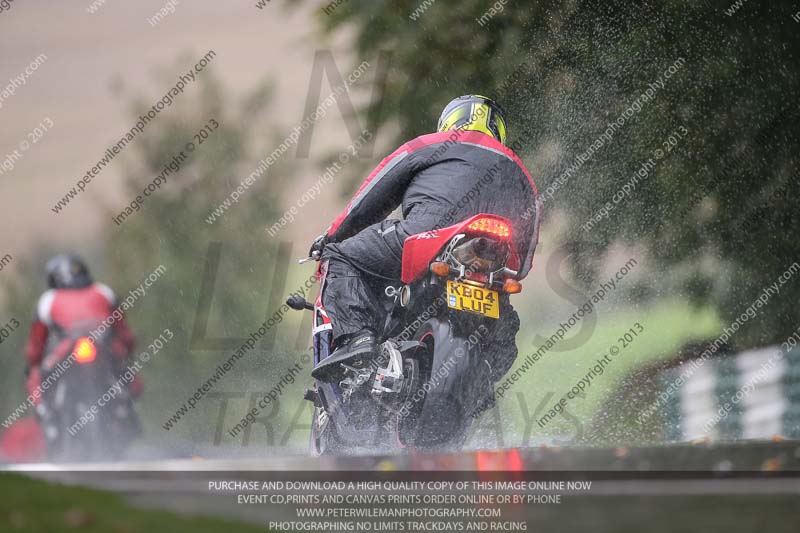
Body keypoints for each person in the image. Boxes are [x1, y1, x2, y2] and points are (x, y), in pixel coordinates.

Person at [311, 95, 540, 383]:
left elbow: (370, 199)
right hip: (492, 263)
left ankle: (358, 339)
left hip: (425, 237)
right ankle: (480, 387)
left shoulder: (429, 144)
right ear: (498, 131)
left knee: (340, 255)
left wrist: (333, 235)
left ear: (450, 121)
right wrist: (508, 274)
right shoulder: (520, 170)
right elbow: (527, 252)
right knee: (504, 328)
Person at [24, 255, 140, 406]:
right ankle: (126, 406)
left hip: (69, 351)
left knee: (37, 375)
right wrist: (126, 351)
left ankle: (45, 410)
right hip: (102, 347)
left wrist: (34, 364)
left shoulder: (48, 299)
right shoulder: (104, 291)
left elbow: (36, 346)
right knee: (123, 370)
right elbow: (124, 334)